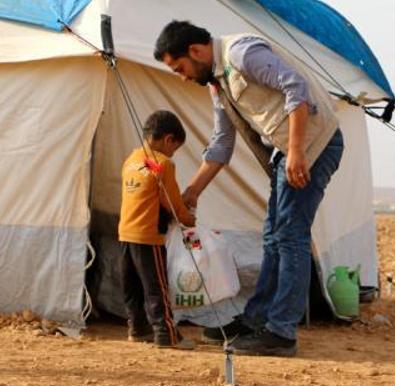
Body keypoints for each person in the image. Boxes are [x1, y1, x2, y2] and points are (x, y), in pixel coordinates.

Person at [154, 21, 344, 357]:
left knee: (290, 235)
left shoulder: (241, 54)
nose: (181, 76)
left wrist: (297, 152)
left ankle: (282, 332)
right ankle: (258, 320)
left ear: (195, 51)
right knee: (273, 235)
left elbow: (296, 89)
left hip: (313, 145)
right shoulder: (218, 84)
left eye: (179, 68)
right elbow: (221, 142)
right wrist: (193, 191)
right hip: (288, 152)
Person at [118, 110, 197, 350]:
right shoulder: (161, 164)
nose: (173, 153)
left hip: (125, 232)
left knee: (131, 286)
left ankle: (137, 328)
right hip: (148, 234)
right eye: (175, 147)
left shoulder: (131, 159)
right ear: (168, 139)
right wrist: (188, 219)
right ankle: (166, 334)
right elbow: (172, 203)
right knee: (156, 287)